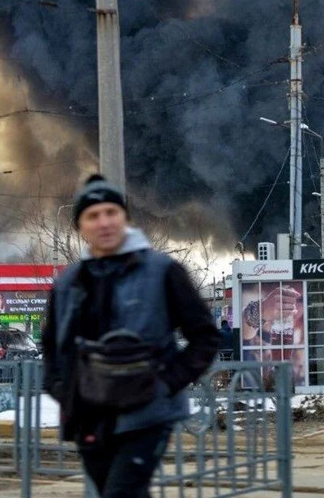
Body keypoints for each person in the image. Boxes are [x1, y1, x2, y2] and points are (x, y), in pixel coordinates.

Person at [42, 174, 220, 498]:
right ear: (80, 226)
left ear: (125, 218)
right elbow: (53, 348)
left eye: (112, 212)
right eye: (93, 216)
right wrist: (62, 390)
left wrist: (166, 383)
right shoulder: (67, 283)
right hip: (90, 417)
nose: (104, 222)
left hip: (147, 412)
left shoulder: (163, 271)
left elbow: (205, 337)